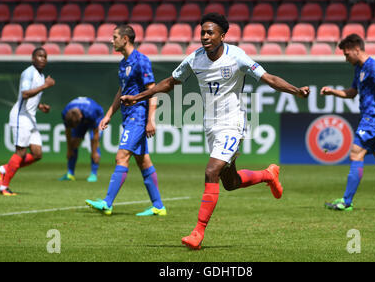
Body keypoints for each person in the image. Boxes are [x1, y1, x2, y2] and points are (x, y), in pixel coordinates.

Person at [120, 13, 310, 250]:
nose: (205, 36)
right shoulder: (195, 59)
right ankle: (268, 174)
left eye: (210, 32)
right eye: (202, 32)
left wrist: (296, 91)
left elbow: (268, 78)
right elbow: (170, 82)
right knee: (230, 182)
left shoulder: (236, 56)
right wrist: (138, 97)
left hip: (233, 124)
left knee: (211, 172)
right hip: (211, 125)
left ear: (222, 35)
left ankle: (197, 233)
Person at [322, 34, 375, 211]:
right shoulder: (359, 68)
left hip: (373, 118)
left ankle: (346, 202)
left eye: (347, 54)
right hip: (371, 117)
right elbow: (352, 93)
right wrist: (332, 92)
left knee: (356, 153)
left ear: (357, 49)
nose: (346, 58)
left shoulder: (374, 67)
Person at [85, 25, 166, 217]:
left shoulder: (141, 60)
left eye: (114, 37)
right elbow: (121, 92)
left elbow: (153, 91)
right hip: (127, 117)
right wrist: (108, 115)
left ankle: (107, 203)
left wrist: (150, 120)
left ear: (125, 39)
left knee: (121, 156)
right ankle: (158, 206)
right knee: (143, 161)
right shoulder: (123, 63)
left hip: (138, 117)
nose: (111, 41)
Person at [0, 48, 55, 195]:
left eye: (45, 57)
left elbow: (32, 98)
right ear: (33, 58)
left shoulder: (41, 76)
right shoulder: (29, 73)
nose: (42, 59)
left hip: (30, 117)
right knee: (20, 152)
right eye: (40, 56)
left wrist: (41, 106)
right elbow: (25, 94)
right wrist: (45, 86)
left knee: (37, 154)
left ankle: (4, 169)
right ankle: (4, 187)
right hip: (20, 117)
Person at [59, 97, 104, 182]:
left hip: (97, 117)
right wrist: (69, 149)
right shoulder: (65, 114)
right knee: (74, 142)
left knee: (94, 143)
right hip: (82, 116)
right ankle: (70, 174)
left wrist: (94, 152)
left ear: (81, 118)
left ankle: (93, 174)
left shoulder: (91, 113)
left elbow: (95, 134)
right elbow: (68, 132)